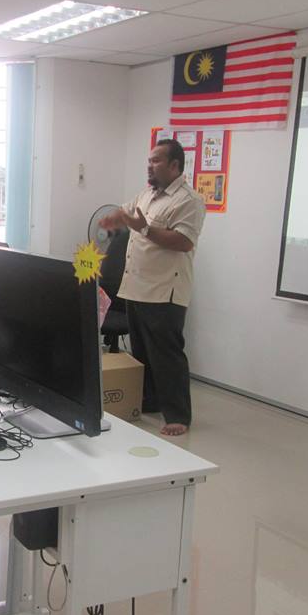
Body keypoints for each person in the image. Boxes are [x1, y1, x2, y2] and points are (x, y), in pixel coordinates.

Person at [99, 138, 205, 437]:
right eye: (149, 160)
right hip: (136, 286)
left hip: (164, 291)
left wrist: (143, 228)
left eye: (156, 160)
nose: (150, 165)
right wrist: (115, 218)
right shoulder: (148, 194)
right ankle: (150, 401)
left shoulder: (189, 200)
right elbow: (126, 212)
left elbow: (183, 241)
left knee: (166, 356)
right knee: (142, 352)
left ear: (175, 165)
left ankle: (178, 416)